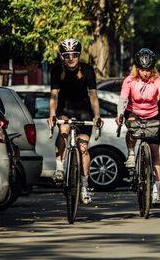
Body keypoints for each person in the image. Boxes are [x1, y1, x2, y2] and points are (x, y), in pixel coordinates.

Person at [48, 38, 103, 205]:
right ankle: (59, 167)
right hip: (64, 109)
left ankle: (85, 186)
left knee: (83, 148)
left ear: (79, 55)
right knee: (63, 130)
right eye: (67, 55)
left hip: (83, 110)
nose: (70, 58)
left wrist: (97, 115)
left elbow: (93, 95)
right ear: (63, 56)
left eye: (74, 54)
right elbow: (54, 95)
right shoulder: (57, 69)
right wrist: (52, 114)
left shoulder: (87, 70)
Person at [115, 48, 160, 204]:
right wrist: (120, 114)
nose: (145, 73)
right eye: (142, 70)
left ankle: (156, 190)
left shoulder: (158, 81)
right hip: (133, 112)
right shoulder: (129, 81)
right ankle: (132, 153)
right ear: (137, 68)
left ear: (152, 68)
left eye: (148, 70)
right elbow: (123, 99)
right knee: (132, 126)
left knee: (155, 154)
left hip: (152, 114)